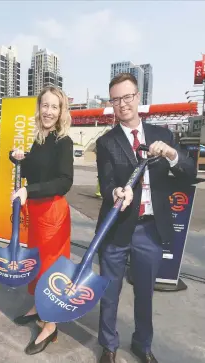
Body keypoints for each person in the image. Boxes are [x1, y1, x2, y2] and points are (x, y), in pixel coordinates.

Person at [96, 73, 196, 363]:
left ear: (138, 97)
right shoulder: (107, 142)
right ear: (111, 104)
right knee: (109, 292)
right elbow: (105, 184)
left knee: (145, 294)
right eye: (116, 99)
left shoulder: (162, 135)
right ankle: (109, 346)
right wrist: (116, 192)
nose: (122, 104)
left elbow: (189, 174)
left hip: (150, 229)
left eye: (127, 97)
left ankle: (142, 344)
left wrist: (172, 156)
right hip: (116, 227)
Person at [11, 86, 74, 355]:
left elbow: (64, 181)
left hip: (53, 214)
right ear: (39, 108)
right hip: (36, 212)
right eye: (45, 106)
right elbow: (31, 171)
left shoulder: (64, 142)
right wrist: (15, 158)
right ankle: (38, 306)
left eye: (54, 107)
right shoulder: (40, 139)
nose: (48, 111)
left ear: (61, 112)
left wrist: (29, 191)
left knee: (51, 270)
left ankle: (50, 325)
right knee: (37, 264)